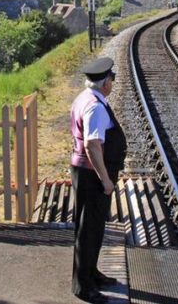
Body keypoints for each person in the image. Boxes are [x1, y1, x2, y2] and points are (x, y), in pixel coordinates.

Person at [70, 57, 126, 304]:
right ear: (105, 83)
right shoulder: (95, 107)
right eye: (111, 78)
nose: (112, 82)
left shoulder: (85, 97)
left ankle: (91, 272)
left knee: (92, 228)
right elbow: (93, 145)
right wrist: (105, 180)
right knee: (89, 230)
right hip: (93, 174)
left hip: (84, 171)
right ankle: (83, 286)